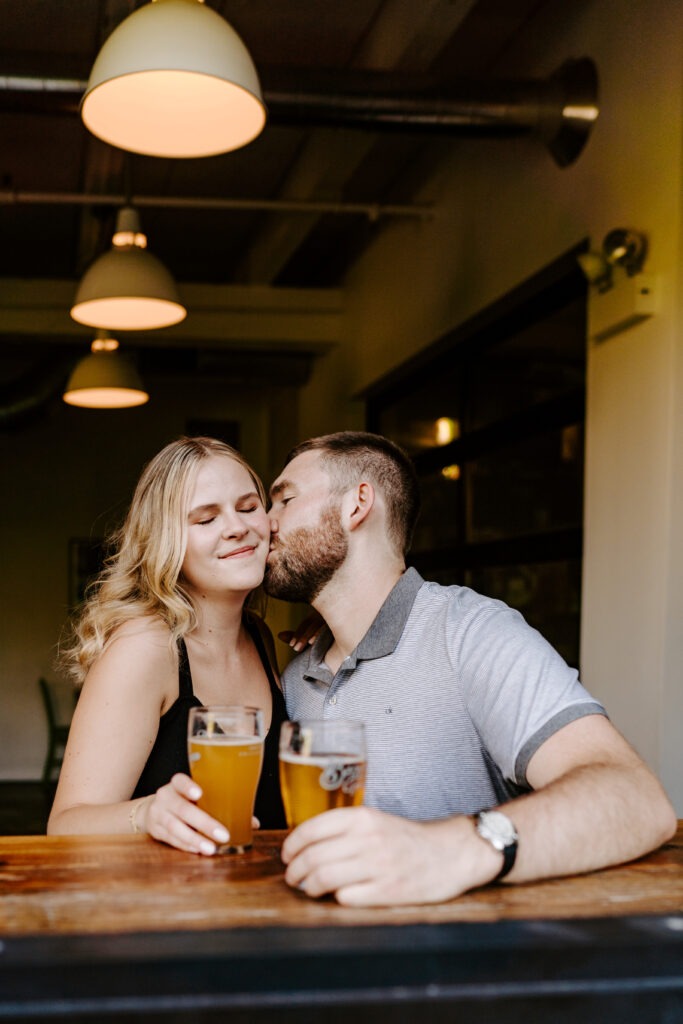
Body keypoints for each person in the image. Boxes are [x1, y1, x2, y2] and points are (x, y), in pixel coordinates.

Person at [264, 430, 677, 907]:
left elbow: (634, 799)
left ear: (356, 505)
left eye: (284, 500)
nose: (265, 524)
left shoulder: (471, 634)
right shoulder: (297, 678)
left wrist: (449, 848)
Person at [48, 436, 286, 852]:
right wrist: (146, 814)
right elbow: (65, 826)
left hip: (253, 903)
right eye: (205, 519)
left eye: (249, 507)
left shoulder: (259, 638)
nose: (237, 527)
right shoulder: (145, 648)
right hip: (165, 908)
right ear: (165, 541)